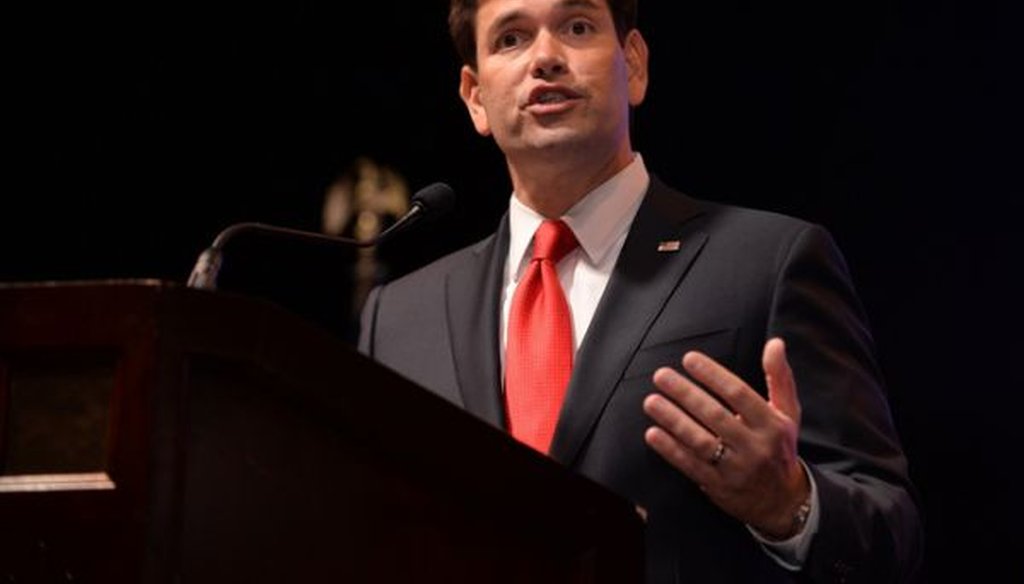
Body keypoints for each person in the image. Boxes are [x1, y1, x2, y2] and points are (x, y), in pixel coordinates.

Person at [359, 0, 923, 581]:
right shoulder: (400, 317)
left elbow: (891, 532)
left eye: (577, 27)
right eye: (511, 39)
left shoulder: (767, 262)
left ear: (635, 63)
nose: (546, 58)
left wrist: (789, 505)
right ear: (476, 97)